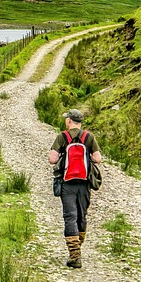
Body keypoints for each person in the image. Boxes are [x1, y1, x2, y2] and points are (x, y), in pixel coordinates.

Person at [48, 108, 102, 268]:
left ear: (69, 121)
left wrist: (60, 156)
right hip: (84, 183)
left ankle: (74, 255)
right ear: (80, 122)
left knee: (70, 216)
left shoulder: (62, 137)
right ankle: (78, 248)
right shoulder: (89, 137)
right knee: (81, 215)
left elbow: (52, 159)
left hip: (68, 183)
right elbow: (98, 159)